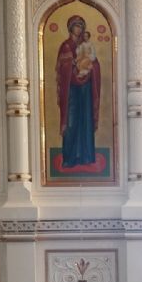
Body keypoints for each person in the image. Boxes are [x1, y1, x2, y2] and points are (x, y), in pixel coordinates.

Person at [55, 14, 101, 168]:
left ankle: (86, 156)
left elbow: (95, 64)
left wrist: (91, 67)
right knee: (71, 121)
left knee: (86, 120)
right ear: (70, 28)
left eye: (81, 26)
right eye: (76, 26)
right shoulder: (66, 46)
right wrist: (74, 68)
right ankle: (70, 157)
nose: (79, 29)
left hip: (86, 88)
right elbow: (62, 69)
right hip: (71, 90)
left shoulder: (86, 45)